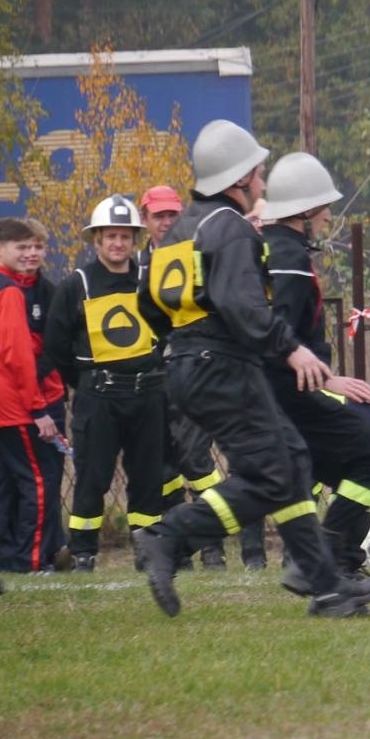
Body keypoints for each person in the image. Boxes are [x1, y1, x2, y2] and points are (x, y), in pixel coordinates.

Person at [134, 119, 370, 618]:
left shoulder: (181, 229)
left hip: (188, 364)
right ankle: (168, 537)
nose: (263, 184)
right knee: (273, 475)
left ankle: (328, 589)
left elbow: (148, 305)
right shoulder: (228, 227)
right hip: (223, 366)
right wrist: (290, 350)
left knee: (289, 465)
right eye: (258, 173)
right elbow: (243, 306)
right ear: (238, 179)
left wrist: (182, 345)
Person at [260, 152, 370, 584]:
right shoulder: (290, 262)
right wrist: (330, 378)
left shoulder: (268, 249)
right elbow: (279, 337)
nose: (327, 215)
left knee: (352, 456)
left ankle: (332, 560)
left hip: (283, 390)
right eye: (322, 206)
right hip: (292, 391)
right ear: (303, 211)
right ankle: (323, 558)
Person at [43, 195, 166, 571]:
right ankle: (82, 552)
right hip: (98, 396)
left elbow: (168, 327)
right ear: (96, 241)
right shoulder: (75, 285)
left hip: (149, 393)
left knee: (148, 477)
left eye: (125, 237)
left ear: (134, 240)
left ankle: (148, 550)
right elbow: (56, 344)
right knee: (91, 478)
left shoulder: (150, 280)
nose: (117, 244)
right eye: (110, 236)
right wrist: (85, 380)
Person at [142, 182, 259, 571]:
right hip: (166, 371)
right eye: (158, 215)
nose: (166, 222)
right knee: (172, 464)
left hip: (201, 364)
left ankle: (220, 549)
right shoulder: (144, 260)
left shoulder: (199, 245)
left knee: (221, 460)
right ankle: (178, 544)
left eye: (172, 214)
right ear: (145, 220)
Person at [0, 220, 67, 572]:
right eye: (20, 247)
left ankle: (0, 560)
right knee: (38, 481)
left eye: (35, 246)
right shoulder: (5, 290)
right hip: (14, 405)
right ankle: (33, 561)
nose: (30, 253)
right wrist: (37, 407)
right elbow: (18, 355)